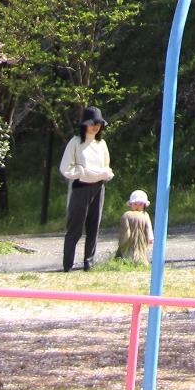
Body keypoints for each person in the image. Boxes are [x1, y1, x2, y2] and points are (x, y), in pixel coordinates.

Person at [59, 105, 113, 272]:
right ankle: (68, 264)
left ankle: (89, 262)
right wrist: (82, 172)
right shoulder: (75, 142)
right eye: (92, 123)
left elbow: (106, 165)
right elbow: (65, 167)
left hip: (98, 187)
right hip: (80, 187)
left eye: (98, 124)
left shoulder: (101, 144)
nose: (95, 127)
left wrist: (103, 174)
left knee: (93, 225)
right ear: (84, 124)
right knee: (75, 226)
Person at [117, 188, 153, 261]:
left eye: (140, 204)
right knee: (141, 257)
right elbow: (148, 229)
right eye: (135, 204)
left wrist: (121, 244)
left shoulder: (127, 215)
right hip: (141, 245)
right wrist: (150, 238)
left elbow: (126, 233)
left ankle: (127, 260)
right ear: (131, 204)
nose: (137, 206)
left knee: (127, 256)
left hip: (128, 246)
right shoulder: (145, 215)